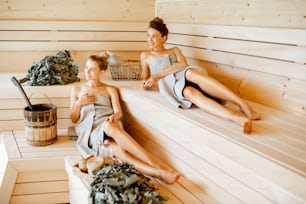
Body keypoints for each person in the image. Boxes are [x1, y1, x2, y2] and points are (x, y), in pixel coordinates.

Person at [69, 54, 180, 184]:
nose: (87, 71)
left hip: (108, 125)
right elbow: (73, 118)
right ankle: (158, 171)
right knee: (118, 150)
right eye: (87, 67)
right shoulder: (77, 89)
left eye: (92, 69)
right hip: (90, 133)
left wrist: (113, 117)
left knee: (113, 136)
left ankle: (158, 168)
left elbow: (118, 112)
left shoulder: (110, 89)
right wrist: (79, 103)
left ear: (102, 71)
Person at [141, 17, 261, 134]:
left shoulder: (174, 50)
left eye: (154, 36)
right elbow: (144, 78)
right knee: (189, 93)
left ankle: (241, 103)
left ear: (164, 38)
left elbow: (183, 63)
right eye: (148, 36)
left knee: (190, 72)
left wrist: (158, 75)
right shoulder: (145, 56)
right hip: (171, 85)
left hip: (183, 73)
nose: (149, 40)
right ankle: (238, 119)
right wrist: (146, 84)